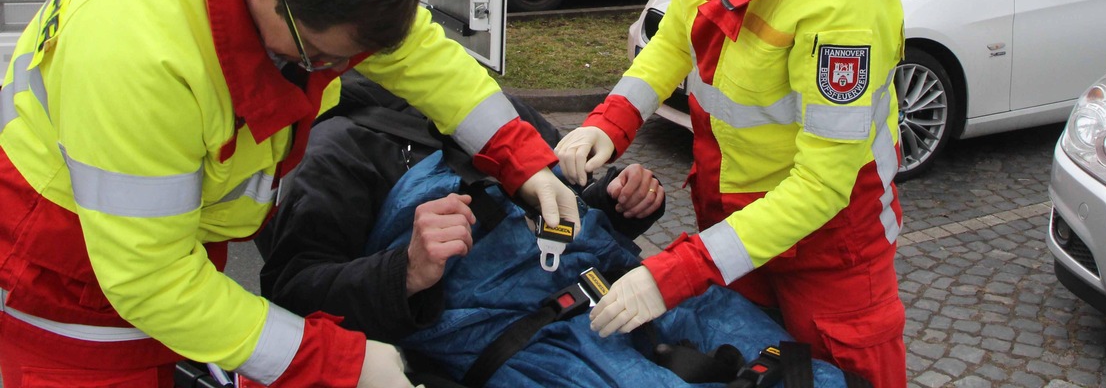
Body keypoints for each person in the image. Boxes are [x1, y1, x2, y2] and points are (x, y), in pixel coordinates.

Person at [0, 0, 579, 388]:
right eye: (324, 58)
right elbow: (153, 280)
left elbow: (416, 56)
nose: (330, 74)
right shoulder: (139, 59)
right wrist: (340, 363)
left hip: (163, 248)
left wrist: (521, 157)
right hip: (62, 276)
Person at [553, 0, 908, 388]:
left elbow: (823, 188)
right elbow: (674, 41)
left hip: (830, 259)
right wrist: (607, 124)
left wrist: (675, 274)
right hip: (741, 235)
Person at [257, 74, 863, 388]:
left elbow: (570, 195)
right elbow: (292, 290)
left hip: (615, 280)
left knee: (797, 369)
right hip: (522, 337)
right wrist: (407, 270)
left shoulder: (478, 99)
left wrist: (620, 201)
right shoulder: (333, 150)